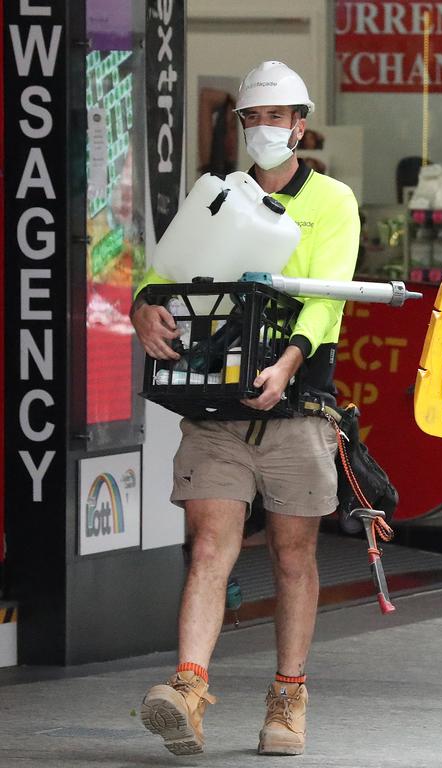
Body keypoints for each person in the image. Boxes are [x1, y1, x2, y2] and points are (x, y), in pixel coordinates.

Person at [130, 61, 359, 757]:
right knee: (209, 546)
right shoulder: (215, 196)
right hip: (217, 404)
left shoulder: (332, 202)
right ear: (241, 127)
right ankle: (189, 689)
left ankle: (288, 697)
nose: (264, 130)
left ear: (301, 124)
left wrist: (289, 359)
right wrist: (144, 305)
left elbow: (327, 296)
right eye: (252, 118)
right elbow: (163, 267)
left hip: (299, 406)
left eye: (277, 117)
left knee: (293, 555)